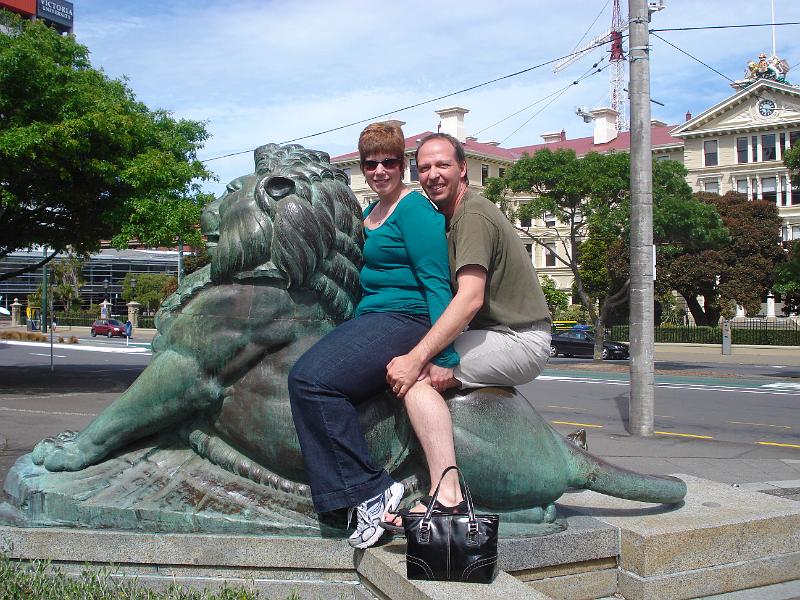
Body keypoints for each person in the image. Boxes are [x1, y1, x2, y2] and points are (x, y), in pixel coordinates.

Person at [288, 122, 459, 549]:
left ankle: (371, 490)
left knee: (311, 380)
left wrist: (444, 356)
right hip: (373, 320)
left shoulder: (415, 210)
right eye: (371, 163)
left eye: (390, 161)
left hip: (406, 319)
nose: (380, 169)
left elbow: (438, 284)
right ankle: (348, 501)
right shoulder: (369, 215)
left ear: (404, 166)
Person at [385, 132, 552, 515]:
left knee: (417, 379)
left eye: (442, 165)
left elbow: (469, 298)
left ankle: (447, 495)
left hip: (519, 338)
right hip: (493, 333)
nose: (432, 174)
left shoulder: (472, 215)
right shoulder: (449, 219)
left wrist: (422, 356)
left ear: (463, 169)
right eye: (424, 167)